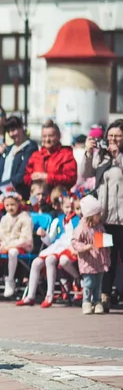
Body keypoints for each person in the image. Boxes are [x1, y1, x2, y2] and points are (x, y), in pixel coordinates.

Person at [80, 119, 123, 312]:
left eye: (118, 136)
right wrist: (88, 152)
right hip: (102, 220)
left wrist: (118, 157)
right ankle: (102, 296)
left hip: (121, 218)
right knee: (104, 257)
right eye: (110, 135)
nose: (113, 139)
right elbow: (85, 173)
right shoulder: (101, 156)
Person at [21, 189, 81, 308]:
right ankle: (30, 296)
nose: (69, 210)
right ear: (62, 207)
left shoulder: (78, 220)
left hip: (69, 246)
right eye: (67, 207)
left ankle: (50, 295)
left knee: (50, 260)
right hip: (57, 246)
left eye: (72, 207)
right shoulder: (57, 220)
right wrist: (44, 235)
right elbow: (50, 240)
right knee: (36, 262)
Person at [0, 191, 35, 299]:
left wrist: (10, 245)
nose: (10, 208)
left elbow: (25, 239)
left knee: (12, 252)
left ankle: (10, 279)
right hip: (4, 245)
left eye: (12, 205)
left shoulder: (25, 218)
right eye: (7, 205)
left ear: (18, 204)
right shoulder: (5, 218)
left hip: (20, 246)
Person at [71, 196, 110, 315]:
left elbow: (104, 241)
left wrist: (106, 245)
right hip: (88, 261)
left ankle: (97, 301)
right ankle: (86, 301)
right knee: (89, 282)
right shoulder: (82, 228)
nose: (100, 216)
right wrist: (84, 247)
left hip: (99, 261)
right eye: (97, 214)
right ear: (90, 215)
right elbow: (75, 242)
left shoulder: (100, 227)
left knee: (98, 283)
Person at [24, 121, 77, 191]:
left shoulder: (66, 155)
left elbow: (71, 178)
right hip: (37, 198)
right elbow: (26, 176)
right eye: (44, 136)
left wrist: (47, 177)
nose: (47, 139)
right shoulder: (36, 155)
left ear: (59, 136)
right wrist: (32, 178)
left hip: (57, 197)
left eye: (51, 136)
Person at [0, 116, 38, 199]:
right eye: (9, 131)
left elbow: (21, 175)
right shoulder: (9, 149)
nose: (11, 134)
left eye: (14, 130)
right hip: (2, 194)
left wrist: (0, 186)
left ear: (22, 128)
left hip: (18, 194)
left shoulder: (30, 148)